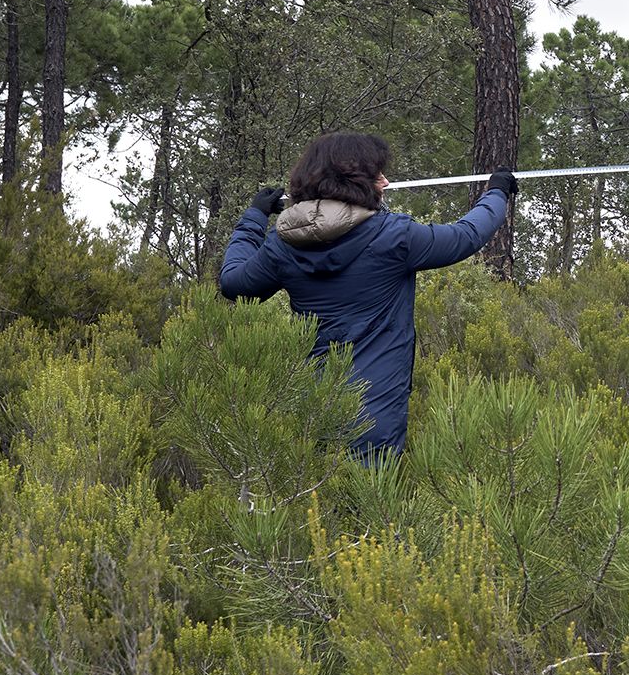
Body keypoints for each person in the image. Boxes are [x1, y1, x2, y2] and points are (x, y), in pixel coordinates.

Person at [219, 131, 517, 454]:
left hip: (313, 417)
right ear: (354, 183)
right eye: (377, 175)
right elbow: (465, 236)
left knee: (316, 488)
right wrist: (496, 192)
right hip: (376, 424)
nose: (386, 182)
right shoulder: (394, 237)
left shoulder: (282, 246)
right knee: (370, 489)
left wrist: (254, 216)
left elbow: (234, 283)